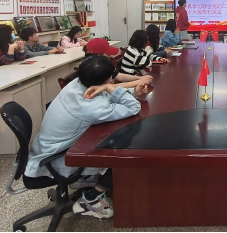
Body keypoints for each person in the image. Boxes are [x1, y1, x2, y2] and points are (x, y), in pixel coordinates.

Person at [25, 55, 148, 220]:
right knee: (124, 157)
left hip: (45, 148)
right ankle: (91, 199)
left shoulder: (75, 85)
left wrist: (131, 91)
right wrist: (111, 89)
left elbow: (104, 96)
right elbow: (133, 107)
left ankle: (85, 181)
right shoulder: (91, 108)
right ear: (107, 80)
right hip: (57, 158)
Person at [83, 38, 153, 87]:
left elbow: (119, 76)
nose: (110, 56)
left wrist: (139, 78)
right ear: (98, 55)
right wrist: (139, 81)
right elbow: (108, 87)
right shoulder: (93, 70)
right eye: (107, 54)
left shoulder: (103, 64)